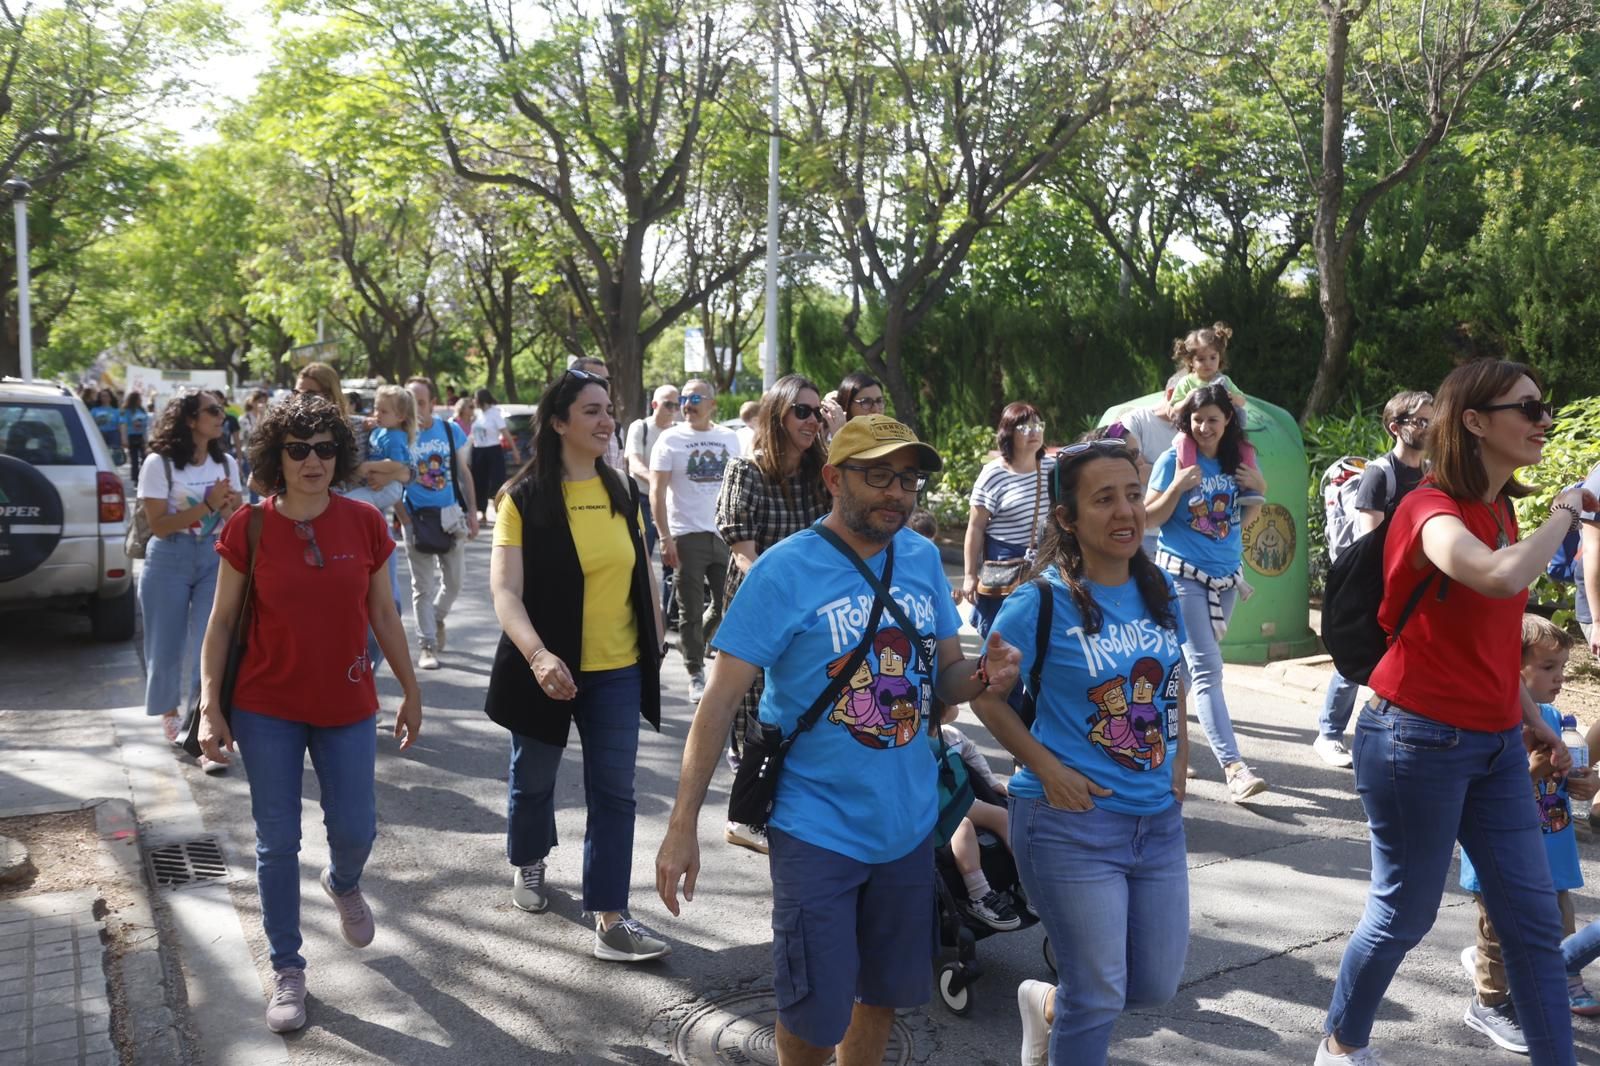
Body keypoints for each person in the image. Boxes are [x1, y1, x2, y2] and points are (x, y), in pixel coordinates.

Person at [656, 414, 1021, 1066]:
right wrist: (682, 823)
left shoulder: (917, 557)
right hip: (815, 827)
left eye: (907, 480)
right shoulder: (782, 571)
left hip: (908, 828)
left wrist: (986, 675)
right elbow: (717, 703)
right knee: (813, 1015)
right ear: (832, 479)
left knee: (880, 997)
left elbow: (948, 677)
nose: (897, 494)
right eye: (878, 476)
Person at [1317, 359, 1594, 1066]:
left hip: (1498, 743)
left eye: (1544, 406)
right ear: (1473, 421)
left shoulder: (1500, 508)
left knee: (1532, 926)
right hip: (1415, 739)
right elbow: (1499, 575)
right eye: (1525, 408)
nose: (1542, 420)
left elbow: (1495, 648)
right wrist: (1567, 507)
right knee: (1404, 914)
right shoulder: (1426, 508)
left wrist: (1534, 722)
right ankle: (1342, 1045)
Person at [195, 393, 422, 1034]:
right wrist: (212, 705)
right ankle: (288, 968)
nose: (313, 460)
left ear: (340, 454)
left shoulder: (364, 523)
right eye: (298, 449)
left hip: (346, 701)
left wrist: (411, 687)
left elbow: (383, 614)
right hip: (266, 705)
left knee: (356, 828)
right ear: (277, 457)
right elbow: (218, 625)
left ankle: (344, 881)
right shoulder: (249, 526)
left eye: (325, 447)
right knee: (277, 843)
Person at [972, 436, 1189, 1066]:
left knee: (1151, 984)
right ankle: (1069, 1014)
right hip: (1070, 821)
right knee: (1097, 996)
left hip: (1157, 820)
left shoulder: (1160, 592)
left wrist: (1178, 760)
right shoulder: (1038, 600)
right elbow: (987, 699)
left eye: (1131, 496)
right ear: (1067, 518)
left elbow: (1172, 684)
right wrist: (1049, 771)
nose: (1125, 512)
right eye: (1104, 500)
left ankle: (1048, 1005)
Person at [483, 367, 670, 962]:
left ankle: (611, 915)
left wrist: (658, 634)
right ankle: (530, 861)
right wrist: (538, 657)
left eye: (609, 410)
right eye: (591, 410)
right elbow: (505, 592)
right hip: (547, 665)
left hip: (616, 668)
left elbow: (643, 571)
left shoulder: (625, 492)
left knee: (615, 793)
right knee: (534, 778)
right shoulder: (523, 498)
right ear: (560, 422)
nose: (606, 420)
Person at [1457, 615, 1597, 1053]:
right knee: (1498, 932)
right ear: (1514, 672)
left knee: (1558, 928)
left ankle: (1533, 991)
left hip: (1551, 854)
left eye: (1563, 667)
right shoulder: (1494, 724)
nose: (1560, 677)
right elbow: (1488, 789)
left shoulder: (1552, 717)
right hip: (1503, 854)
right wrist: (1535, 772)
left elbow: (1569, 777)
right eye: (1548, 667)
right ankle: (1490, 1003)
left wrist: (1586, 783)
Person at [713, 374, 831, 854]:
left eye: (817, 411)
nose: (812, 420)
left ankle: (795, 810)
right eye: (802, 411)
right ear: (776, 414)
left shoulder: (822, 472)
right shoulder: (747, 471)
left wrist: (838, 435)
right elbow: (745, 554)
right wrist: (788, 602)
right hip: (763, 604)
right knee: (762, 710)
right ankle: (749, 813)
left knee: (809, 705)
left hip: (815, 608)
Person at [1143, 384, 1269, 802]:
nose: (1204, 427)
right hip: (1182, 577)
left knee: (1181, 668)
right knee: (1208, 669)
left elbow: (1242, 517)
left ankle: (1159, 741)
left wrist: (1260, 489)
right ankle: (1234, 766)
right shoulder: (1173, 460)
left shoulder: (1238, 459)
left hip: (1227, 579)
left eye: (1213, 419)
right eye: (1197, 419)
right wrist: (1177, 486)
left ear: (1228, 420)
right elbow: (1149, 518)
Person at [1314, 390, 1434, 769]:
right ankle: (1329, 734)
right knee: (1356, 662)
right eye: (1421, 421)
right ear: (1395, 426)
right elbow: (1373, 544)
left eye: (1433, 421)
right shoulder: (1378, 474)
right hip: (1378, 584)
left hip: (1415, 585)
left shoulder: (1430, 472)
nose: (1429, 429)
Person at [138, 390, 243, 761]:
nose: (221, 416)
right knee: (164, 646)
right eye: (212, 411)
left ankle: (200, 726)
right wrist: (209, 503)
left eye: (222, 410)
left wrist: (229, 509)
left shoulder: (227, 464)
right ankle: (169, 713)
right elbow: (159, 526)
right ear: (189, 420)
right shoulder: (159, 464)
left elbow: (236, 522)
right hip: (169, 556)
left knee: (209, 643)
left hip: (214, 557)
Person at [650, 378, 740, 703]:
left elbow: (737, 487)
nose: (687, 404)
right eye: (684, 398)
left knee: (728, 604)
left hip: (724, 535)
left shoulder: (729, 438)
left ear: (712, 404)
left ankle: (692, 642)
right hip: (685, 535)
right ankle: (695, 672)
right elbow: (656, 491)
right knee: (688, 609)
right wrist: (664, 537)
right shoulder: (670, 439)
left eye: (695, 398)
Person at [402, 376, 479, 672]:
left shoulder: (451, 430)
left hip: (450, 516)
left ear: (432, 403)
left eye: (420, 402)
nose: (415, 409)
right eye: (409, 402)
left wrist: (472, 511)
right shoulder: (399, 435)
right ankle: (427, 645)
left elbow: (464, 473)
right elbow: (394, 478)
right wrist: (404, 518)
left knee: (455, 581)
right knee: (421, 586)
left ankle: (436, 617)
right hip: (416, 519)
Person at [961, 402, 1054, 640]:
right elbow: (976, 527)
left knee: (1040, 635)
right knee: (1002, 638)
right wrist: (970, 575)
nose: (1034, 432)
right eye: (1024, 427)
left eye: (1038, 425)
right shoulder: (994, 474)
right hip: (1005, 567)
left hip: (1044, 564)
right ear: (1008, 434)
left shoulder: (1053, 470)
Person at [625, 384, 680, 552]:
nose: (673, 410)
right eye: (668, 404)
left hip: (671, 499)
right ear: (654, 405)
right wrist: (657, 483)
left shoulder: (679, 431)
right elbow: (634, 463)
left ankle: (668, 579)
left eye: (676, 405)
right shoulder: (641, 427)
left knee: (674, 551)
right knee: (645, 545)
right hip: (643, 497)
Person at [469, 388, 519, 521]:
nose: (473, 400)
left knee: (496, 481)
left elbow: (505, 433)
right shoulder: (478, 414)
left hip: (493, 450)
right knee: (480, 481)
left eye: (475, 398)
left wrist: (515, 450)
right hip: (479, 450)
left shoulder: (494, 413)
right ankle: (483, 512)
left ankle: (501, 509)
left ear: (481, 399)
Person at [570, 356, 624, 469]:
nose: (605, 423)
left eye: (607, 381)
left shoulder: (617, 430)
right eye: (591, 412)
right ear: (559, 425)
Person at [820, 370, 886, 436]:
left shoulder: (893, 440)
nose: (876, 409)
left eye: (879, 401)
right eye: (866, 402)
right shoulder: (832, 442)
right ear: (847, 406)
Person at [238, 389, 271, 500]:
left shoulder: (268, 417)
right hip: (248, 455)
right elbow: (253, 436)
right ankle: (254, 513)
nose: (261, 404)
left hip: (263, 456)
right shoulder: (244, 419)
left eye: (264, 401)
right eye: (259, 401)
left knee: (265, 486)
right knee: (253, 488)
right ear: (252, 402)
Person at [122, 392, 150, 487]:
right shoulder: (127, 411)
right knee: (134, 459)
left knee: (145, 457)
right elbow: (124, 425)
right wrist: (124, 438)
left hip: (141, 436)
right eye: (139, 398)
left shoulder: (142, 410)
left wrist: (146, 439)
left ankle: (144, 477)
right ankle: (136, 480)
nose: (140, 400)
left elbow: (146, 425)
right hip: (132, 436)